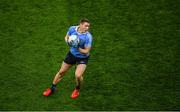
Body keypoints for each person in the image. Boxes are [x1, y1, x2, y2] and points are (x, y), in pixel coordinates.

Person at [43, 18, 93, 99]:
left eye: (88, 26)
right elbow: (66, 37)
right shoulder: (72, 29)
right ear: (80, 24)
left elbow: (86, 51)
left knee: (78, 75)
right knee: (61, 72)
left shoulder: (88, 36)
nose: (87, 28)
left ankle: (77, 89)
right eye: (86, 26)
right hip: (72, 55)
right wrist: (68, 42)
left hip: (83, 58)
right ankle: (52, 88)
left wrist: (76, 47)